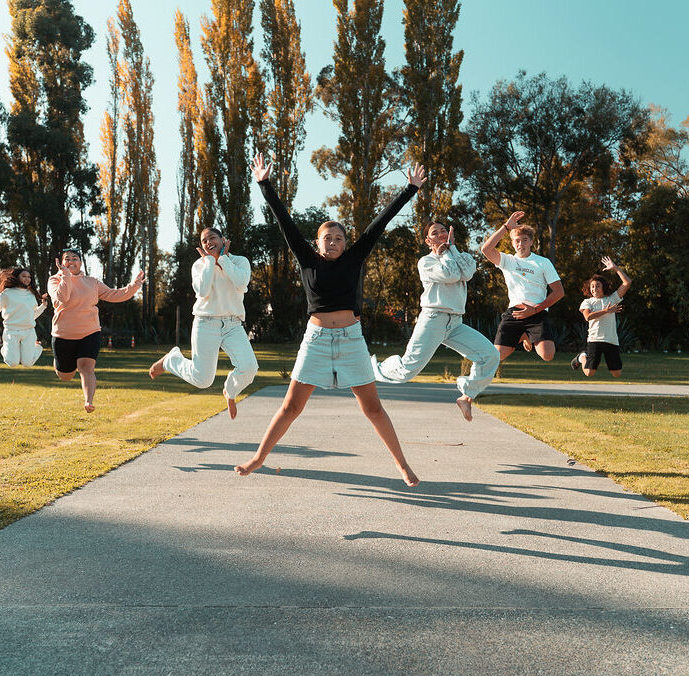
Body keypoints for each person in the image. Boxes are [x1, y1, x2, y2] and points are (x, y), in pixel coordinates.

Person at [235, 153, 425, 487]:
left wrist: (410, 190)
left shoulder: (354, 259)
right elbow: (284, 222)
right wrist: (264, 184)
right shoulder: (307, 260)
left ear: (346, 243)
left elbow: (379, 224)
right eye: (328, 238)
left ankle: (403, 465)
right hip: (317, 341)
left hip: (352, 340)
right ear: (317, 243)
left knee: (373, 409)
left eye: (339, 238)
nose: (334, 242)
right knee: (291, 407)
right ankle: (258, 458)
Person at [371, 222, 499, 421]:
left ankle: (467, 396)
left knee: (490, 355)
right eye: (434, 232)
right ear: (427, 240)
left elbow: (467, 273)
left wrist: (452, 249)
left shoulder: (461, 256)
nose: (440, 234)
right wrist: (445, 253)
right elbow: (451, 274)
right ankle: (372, 369)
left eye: (443, 230)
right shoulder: (426, 262)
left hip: (455, 323)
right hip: (433, 319)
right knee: (407, 370)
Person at [148, 228, 258, 419]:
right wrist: (209, 262)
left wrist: (222, 259)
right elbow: (202, 290)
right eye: (204, 240)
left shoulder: (239, 261)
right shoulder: (199, 265)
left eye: (212, 238)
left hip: (233, 324)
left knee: (249, 367)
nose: (208, 242)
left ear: (223, 240)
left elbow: (241, 284)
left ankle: (230, 392)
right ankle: (171, 360)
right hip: (206, 323)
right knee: (202, 380)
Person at [48, 249, 144, 413]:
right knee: (66, 375)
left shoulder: (92, 282)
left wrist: (134, 286)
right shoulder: (54, 280)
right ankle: (59, 364)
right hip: (63, 334)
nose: (71, 261)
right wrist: (65, 276)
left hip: (90, 332)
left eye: (75, 258)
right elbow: (62, 298)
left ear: (81, 262)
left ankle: (88, 401)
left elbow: (114, 295)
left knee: (86, 368)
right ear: (61, 263)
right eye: (67, 259)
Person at [480, 211, 564, 361]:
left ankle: (526, 333)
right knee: (495, 357)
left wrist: (535, 309)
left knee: (547, 355)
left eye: (524, 240)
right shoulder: (507, 261)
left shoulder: (543, 262)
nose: (520, 244)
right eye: (517, 241)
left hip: (537, 312)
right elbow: (486, 249)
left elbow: (559, 292)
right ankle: (522, 334)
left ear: (531, 242)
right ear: (512, 243)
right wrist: (506, 227)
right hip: (514, 313)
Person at [570, 256, 632, 378]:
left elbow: (627, 283)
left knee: (617, 374)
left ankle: (584, 357)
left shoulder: (612, 299)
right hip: (594, 340)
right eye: (592, 286)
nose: (594, 288)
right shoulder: (587, 302)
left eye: (597, 285)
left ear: (603, 287)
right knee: (589, 373)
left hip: (611, 340)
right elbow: (587, 317)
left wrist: (615, 268)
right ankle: (582, 357)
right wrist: (606, 311)